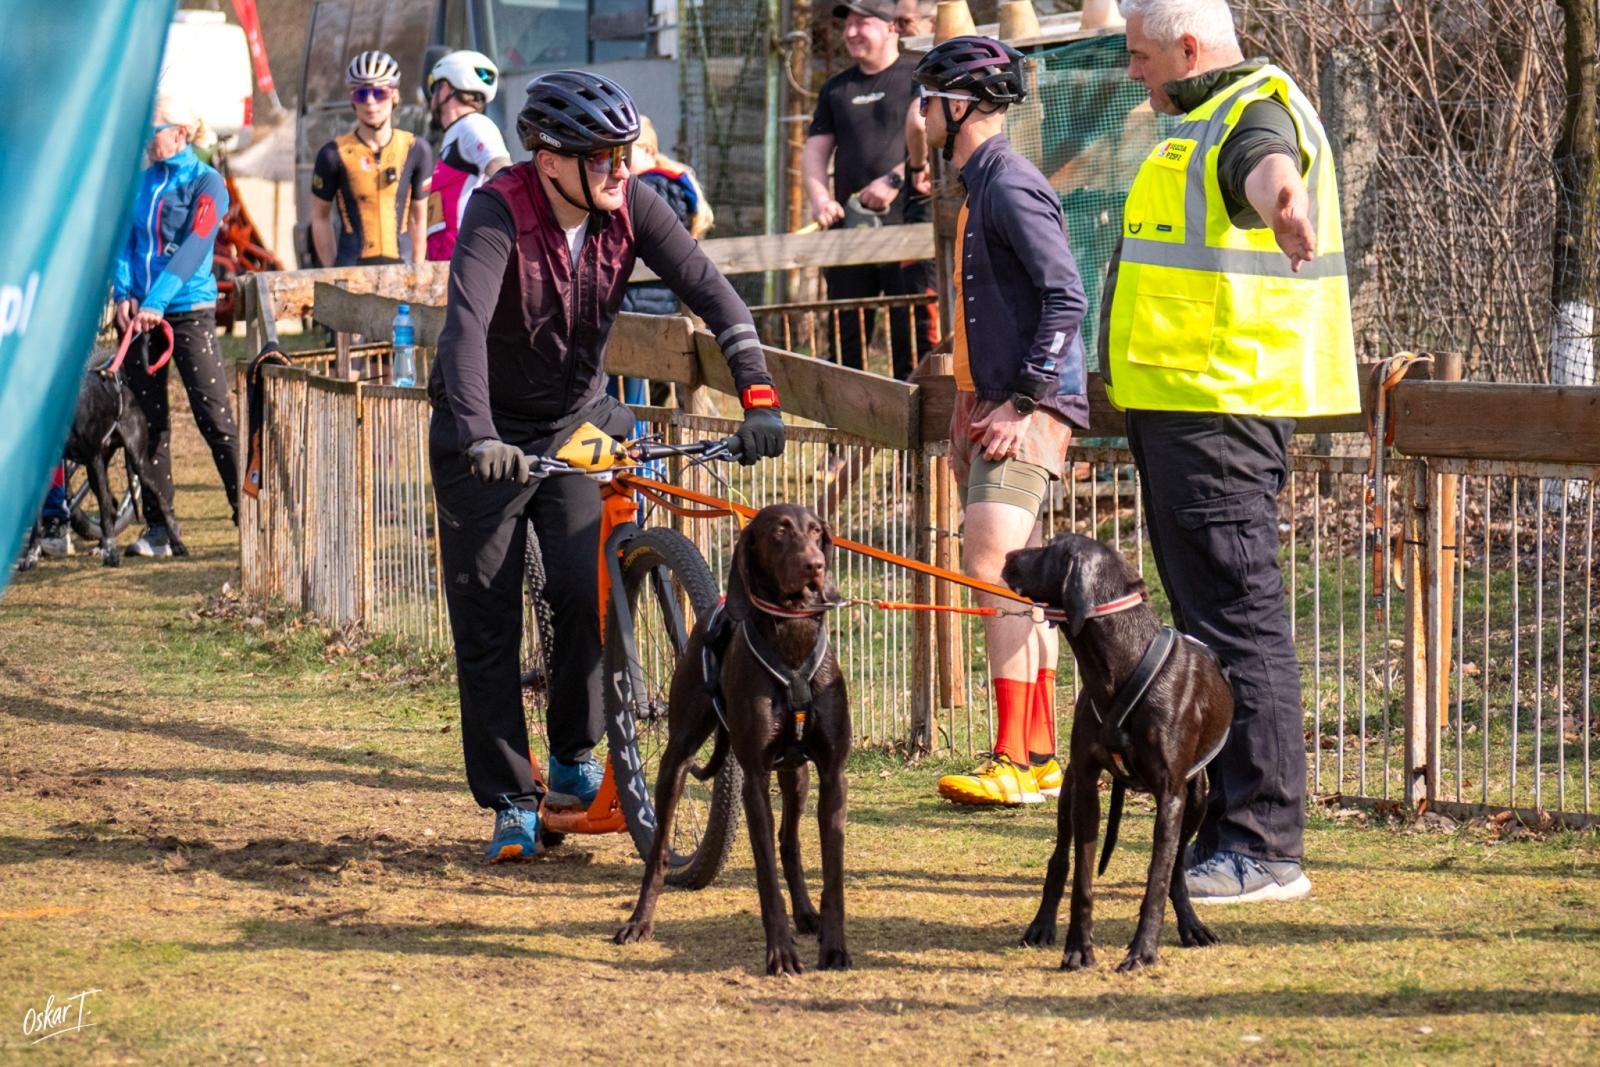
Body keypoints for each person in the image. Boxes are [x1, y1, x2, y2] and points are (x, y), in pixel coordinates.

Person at [428, 70, 787, 862]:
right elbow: (463, 331)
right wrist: (482, 434)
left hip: (575, 422)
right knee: (487, 617)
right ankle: (510, 799)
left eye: (625, 155)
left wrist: (758, 395)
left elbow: (715, 294)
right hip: (481, 432)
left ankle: (573, 761)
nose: (622, 171)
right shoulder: (499, 211)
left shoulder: (633, 208)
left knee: (576, 588)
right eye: (603, 158)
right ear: (551, 160)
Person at [1104, 0, 1360, 902]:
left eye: (1140, 56)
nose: (1134, 72)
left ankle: (1264, 841)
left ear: (1186, 46)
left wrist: (1283, 202)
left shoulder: (1254, 111)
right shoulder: (1195, 116)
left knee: (1240, 625)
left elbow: (1266, 167)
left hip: (1221, 413)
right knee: (1212, 624)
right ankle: (1229, 828)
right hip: (1185, 410)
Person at [911, 38, 1089, 808]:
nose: (917, 117)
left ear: (957, 105)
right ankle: (1043, 755)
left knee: (992, 573)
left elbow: (1066, 297)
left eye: (926, 101)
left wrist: (1021, 401)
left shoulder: (1009, 186)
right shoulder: (982, 186)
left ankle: (1014, 757)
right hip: (999, 404)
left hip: (1026, 411)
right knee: (1016, 580)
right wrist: (968, 394)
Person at [110, 95, 240, 555]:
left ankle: (249, 517)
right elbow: (124, 241)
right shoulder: (140, 182)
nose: (145, 142)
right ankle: (160, 529)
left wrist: (158, 300)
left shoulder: (208, 182)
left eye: (153, 132)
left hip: (187, 311)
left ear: (181, 132)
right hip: (140, 315)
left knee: (215, 418)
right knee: (144, 423)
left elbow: (195, 246)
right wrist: (124, 293)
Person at [802, 1, 935, 380]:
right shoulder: (836, 89)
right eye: (847, 25)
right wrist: (820, 199)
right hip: (850, 235)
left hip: (908, 229)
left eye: (863, 23)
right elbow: (815, 151)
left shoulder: (918, 75)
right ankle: (848, 433)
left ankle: (916, 432)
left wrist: (896, 179)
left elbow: (931, 137)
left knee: (911, 335)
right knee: (847, 339)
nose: (851, 32)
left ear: (892, 26)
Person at [614, 115, 715, 407]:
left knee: (642, 393)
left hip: (645, 303)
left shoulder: (652, 188)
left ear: (645, 148)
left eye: (623, 153)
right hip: (650, 302)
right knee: (648, 390)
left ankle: (648, 448)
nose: (615, 163)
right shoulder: (663, 185)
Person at [310, 51, 432, 267]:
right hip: (352, 269)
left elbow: (418, 218)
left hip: (400, 270)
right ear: (352, 99)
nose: (370, 102)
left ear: (394, 95)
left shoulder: (416, 149)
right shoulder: (332, 154)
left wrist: (418, 269)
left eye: (379, 93)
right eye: (361, 94)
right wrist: (331, 272)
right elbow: (320, 217)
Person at [424, 50, 512, 262]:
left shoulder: (474, 124)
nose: (431, 99)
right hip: (445, 265)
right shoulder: (454, 134)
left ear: (445, 89)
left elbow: (504, 173)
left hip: (466, 262)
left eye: (433, 89)